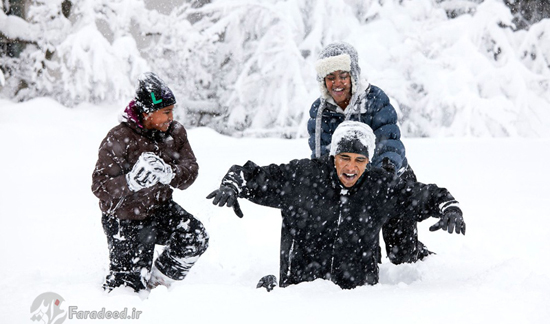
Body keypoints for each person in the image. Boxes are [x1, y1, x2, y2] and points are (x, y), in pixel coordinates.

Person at [207, 121, 465, 290]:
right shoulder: (304, 176)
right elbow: (251, 175)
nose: (351, 167)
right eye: (344, 158)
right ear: (333, 157)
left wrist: (449, 208)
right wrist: (233, 185)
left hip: (357, 301)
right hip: (300, 296)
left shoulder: (379, 187)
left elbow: (427, 195)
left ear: (368, 162)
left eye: (360, 160)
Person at [307, 41, 429, 265]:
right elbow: (322, 154)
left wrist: (384, 172)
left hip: (391, 178)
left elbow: (389, 140)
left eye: (342, 75)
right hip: (353, 184)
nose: (337, 83)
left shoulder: (375, 100)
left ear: (352, 75)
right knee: (361, 255)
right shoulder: (320, 111)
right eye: (330, 77)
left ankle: (419, 255)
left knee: (402, 256)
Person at [92, 72, 209, 293]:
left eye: (172, 110)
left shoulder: (175, 132)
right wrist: (130, 182)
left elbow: (190, 170)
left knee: (195, 238)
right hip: (124, 220)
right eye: (165, 112)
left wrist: (170, 173)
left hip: (160, 209)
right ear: (147, 112)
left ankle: (158, 284)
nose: (171, 117)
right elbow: (99, 186)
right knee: (127, 291)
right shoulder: (118, 138)